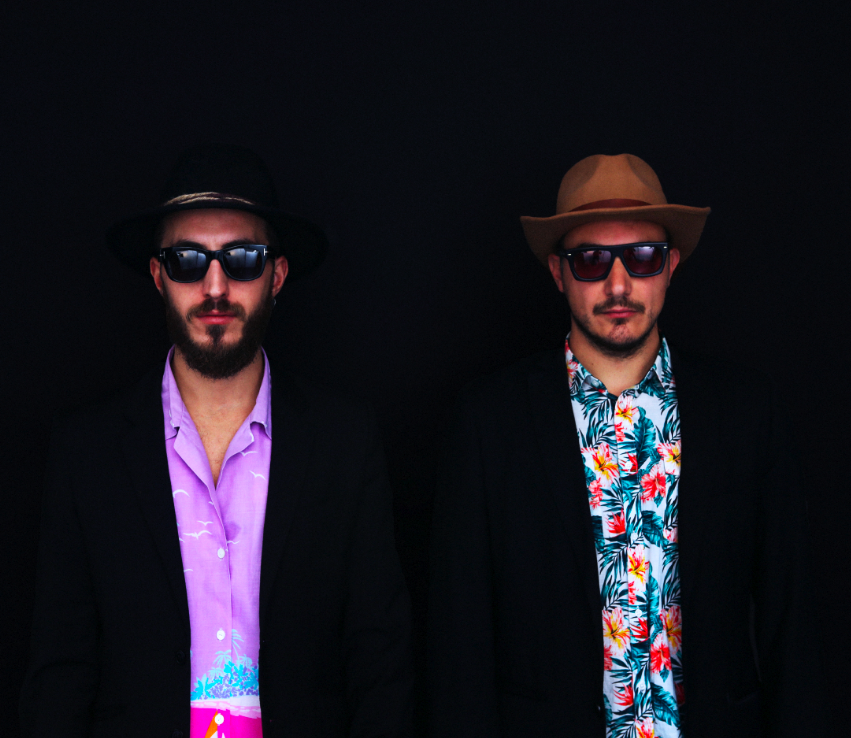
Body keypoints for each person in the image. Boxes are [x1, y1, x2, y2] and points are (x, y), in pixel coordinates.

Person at [20, 144, 413, 738]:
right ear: (159, 276)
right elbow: (60, 676)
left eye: (243, 258)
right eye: (187, 260)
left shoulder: (344, 443)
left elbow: (380, 662)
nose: (215, 285)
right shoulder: (87, 453)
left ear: (277, 275)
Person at [427, 154, 823, 737]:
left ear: (671, 265)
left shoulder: (746, 411)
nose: (618, 284)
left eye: (642, 257)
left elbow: (794, 623)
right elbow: (459, 641)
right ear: (557, 272)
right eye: (591, 260)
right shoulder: (489, 421)